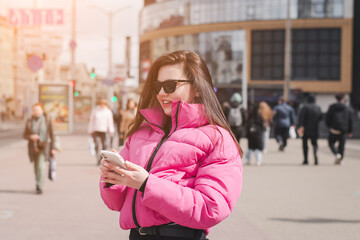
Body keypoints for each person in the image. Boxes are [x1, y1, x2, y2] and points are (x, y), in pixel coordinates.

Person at [99, 50, 243, 240]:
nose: (160, 93)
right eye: (157, 86)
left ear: (197, 88)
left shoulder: (217, 139)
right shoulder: (142, 132)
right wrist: (112, 178)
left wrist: (147, 184)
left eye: (170, 85)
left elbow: (211, 207)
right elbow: (115, 203)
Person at [23, 103, 56, 194]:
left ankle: (39, 186)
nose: (36, 112)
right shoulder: (30, 120)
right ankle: (37, 182)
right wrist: (31, 136)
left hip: (44, 146)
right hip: (33, 147)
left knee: (41, 166)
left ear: (42, 110)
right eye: (34, 110)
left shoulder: (47, 120)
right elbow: (24, 135)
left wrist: (53, 148)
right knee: (36, 167)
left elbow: (52, 135)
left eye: (37, 110)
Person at [325, 94, 353, 165]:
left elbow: (327, 118)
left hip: (334, 129)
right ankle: (340, 158)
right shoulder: (347, 108)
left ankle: (337, 154)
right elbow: (350, 120)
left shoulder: (332, 107)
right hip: (343, 129)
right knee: (342, 145)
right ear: (343, 99)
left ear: (335, 98)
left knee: (331, 142)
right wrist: (350, 131)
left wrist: (329, 126)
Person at [297, 94, 323, 165]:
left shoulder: (304, 107)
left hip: (305, 129)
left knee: (305, 144)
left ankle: (306, 159)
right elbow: (321, 117)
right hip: (315, 128)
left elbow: (301, 118)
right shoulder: (318, 107)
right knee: (314, 144)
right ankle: (315, 154)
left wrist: (300, 127)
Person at [88, 98, 115, 165]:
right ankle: (97, 159)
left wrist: (111, 130)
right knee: (97, 144)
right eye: (101, 104)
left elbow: (110, 121)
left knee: (105, 145)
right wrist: (90, 130)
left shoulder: (108, 111)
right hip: (96, 130)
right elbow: (91, 121)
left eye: (103, 104)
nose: (102, 105)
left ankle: (101, 158)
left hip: (104, 131)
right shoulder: (95, 110)